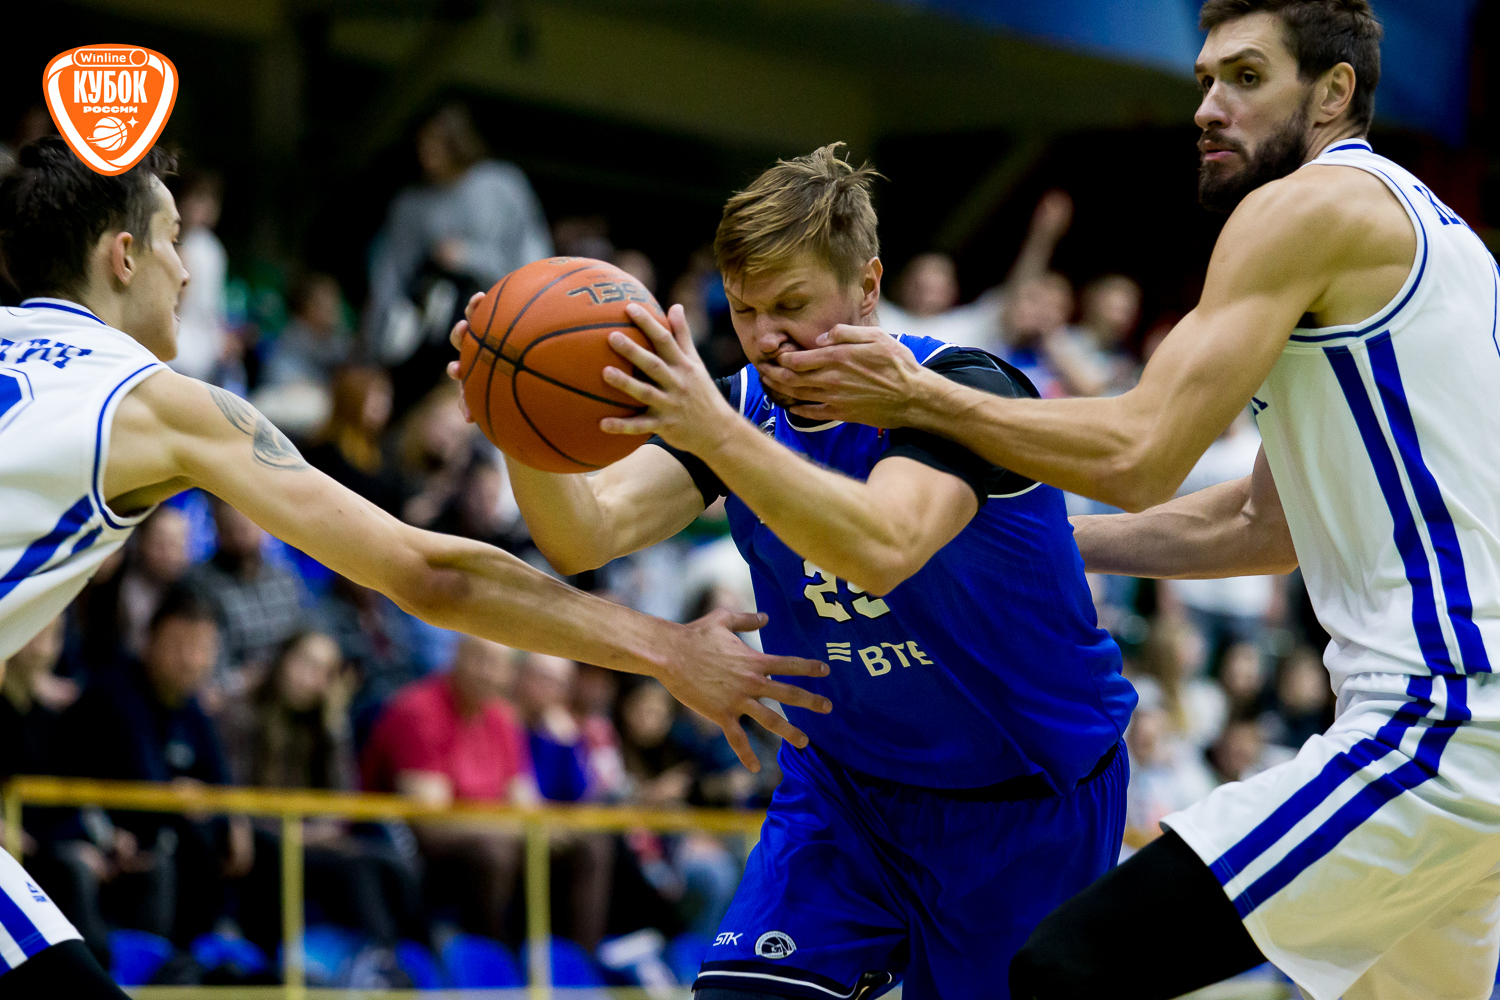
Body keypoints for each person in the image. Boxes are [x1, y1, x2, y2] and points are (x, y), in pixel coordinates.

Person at [756, 4, 1500, 998]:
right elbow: (1264, 525)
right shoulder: (1447, 241)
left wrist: (921, 397)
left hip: (1443, 716)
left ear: (1334, 93)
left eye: (1246, 77)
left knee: (1066, 969)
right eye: (1204, 80)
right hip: (1470, 737)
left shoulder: (1306, 207)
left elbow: (1143, 451)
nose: (1209, 107)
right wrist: (1051, 542)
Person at [0, 137, 824, 995]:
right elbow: (431, 575)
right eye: (173, 240)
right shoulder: (155, 404)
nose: (186, 271)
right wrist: (666, 648)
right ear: (122, 255)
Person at [454, 143, 1135, 999]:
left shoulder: (961, 391)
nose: (765, 338)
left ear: (867, 285)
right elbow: (585, 534)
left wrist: (714, 432)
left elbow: (883, 546)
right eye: (743, 310)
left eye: (791, 305)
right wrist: (518, 421)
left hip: (1028, 801)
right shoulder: (740, 408)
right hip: (845, 796)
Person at [360, 636, 533, 942]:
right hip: (410, 849)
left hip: (488, 837)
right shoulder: (418, 708)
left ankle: (572, 962)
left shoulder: (502, 718)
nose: (489, 673)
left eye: (499, 665)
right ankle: (487, 959)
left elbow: (527, 805)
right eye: (480, 660)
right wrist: (509, 826)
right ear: (456, 657)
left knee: (586, 849)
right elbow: (432, 820)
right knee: (495, 852)